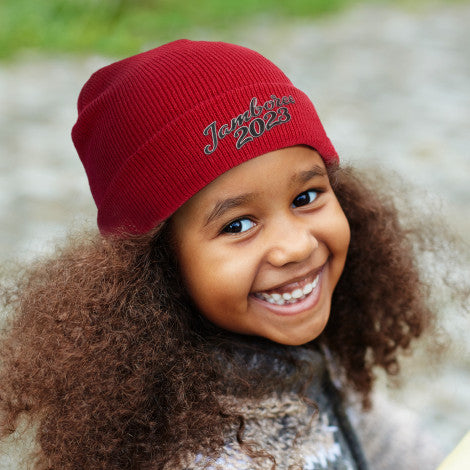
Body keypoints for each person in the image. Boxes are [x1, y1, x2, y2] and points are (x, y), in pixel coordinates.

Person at [0, 39, 462, 469]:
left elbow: (387, 441)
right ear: (156, 267)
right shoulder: (189, 454)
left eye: (305, 197)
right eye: (237, 225)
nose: (297, 245)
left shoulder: (303, 356)